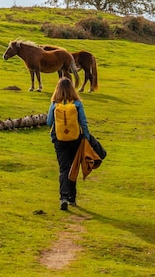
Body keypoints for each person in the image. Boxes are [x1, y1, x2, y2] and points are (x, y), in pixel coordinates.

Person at [46, 77, 91, 211]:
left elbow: (49, 122)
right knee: (73, 167)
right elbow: (83, 121)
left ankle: (63, 197)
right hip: (75, 139)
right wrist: (86, 138)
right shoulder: (77, 103)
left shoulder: (54, 104)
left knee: (63, 168)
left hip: (59, 140)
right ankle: (72, 198)